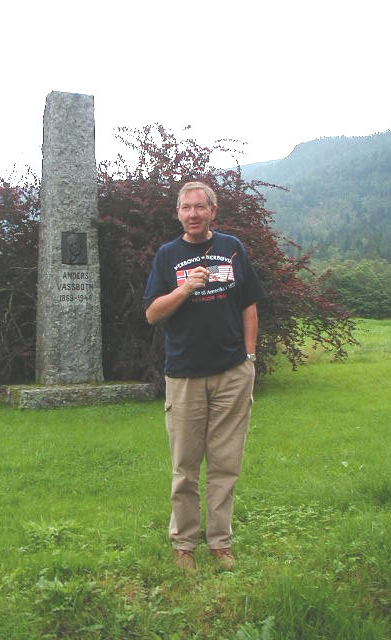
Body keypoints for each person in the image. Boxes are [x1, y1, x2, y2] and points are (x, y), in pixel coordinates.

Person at [143, 181, 265, 572]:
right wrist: (185, 289)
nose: (193, 214)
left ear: (213, 211)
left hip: (232, 373)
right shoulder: (168, 255)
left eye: (200, 207)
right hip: (185, 376)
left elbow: (249, 305)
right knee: (185, 467)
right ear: (178, 213)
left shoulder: (232, 247)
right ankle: (184, 545)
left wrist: (249, 357)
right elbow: (152, 313)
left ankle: (220, 543)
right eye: (186, 207)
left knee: (225, 465)